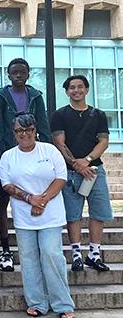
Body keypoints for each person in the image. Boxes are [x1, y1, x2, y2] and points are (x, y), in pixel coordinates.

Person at [0, 113, 75, 318]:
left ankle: (62, 304)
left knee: (52, 254)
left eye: (29, 129)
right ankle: (37, 302)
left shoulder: (50, 150)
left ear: (35, 130)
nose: (24, 134)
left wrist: (41, 200)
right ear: (14, 133)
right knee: (29, 258)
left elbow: (61, 178)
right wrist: (29, 199)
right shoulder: (8, 156)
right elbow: (7, 184)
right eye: (19, 131)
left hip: (51, 214)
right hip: (24, 216)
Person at [0, 57, 50, 272]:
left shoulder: (35, 96)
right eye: (14, 72)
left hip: (32, 153)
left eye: (22, 72)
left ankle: (35, 247)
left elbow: (42, 123)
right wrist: (1, 151)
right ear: (8, 74)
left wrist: (47, 150)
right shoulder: (1, 96)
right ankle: (6, 249)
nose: (18, 76)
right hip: (8, 154)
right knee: (4, 198)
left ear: (28, 74)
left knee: (32, 195)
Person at [51, 75, 112, 272]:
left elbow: (103, 141)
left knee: (99, 212)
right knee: (73, 213)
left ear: (86, 89)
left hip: (94, 170)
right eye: (71, 87)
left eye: (80, 87)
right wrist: (75, 164)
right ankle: (76, 254)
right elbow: (59, 142)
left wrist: (86, 160)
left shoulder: (99, 114)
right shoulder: (59, 115)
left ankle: (94, 254)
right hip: (70, 173)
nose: (76, 90)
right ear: (67, 91)